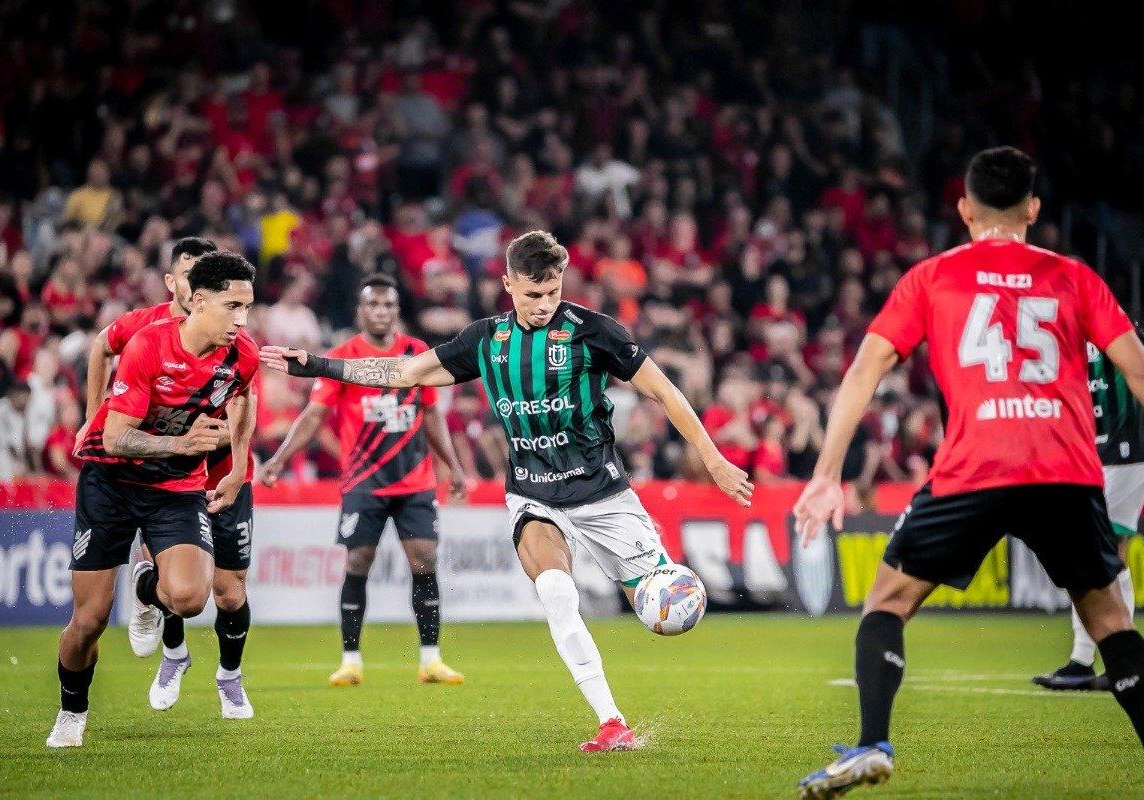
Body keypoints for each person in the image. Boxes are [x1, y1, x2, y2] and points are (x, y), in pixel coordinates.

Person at [261, 230, 753, 752]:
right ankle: (612, 722)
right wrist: (316, 364)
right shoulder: (485, 341)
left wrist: (714, 459)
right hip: (534, 496)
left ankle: (665, 582)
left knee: (658, 616)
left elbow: (665, 391)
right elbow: (404, 371)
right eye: (532, 294)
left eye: (553, 293)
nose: (543, 306)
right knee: (558, 592)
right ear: (508, 284)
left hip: (604, 495)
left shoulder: (594, 332)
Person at [792, 146, 1144, 799]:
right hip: (1065, 472)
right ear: (1033, 210)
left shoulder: (932, 277)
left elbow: (864, 372)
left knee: (888, 602)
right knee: (1111, 623)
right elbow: (1143, 375)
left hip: (973, 468)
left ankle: (874, 741)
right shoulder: (1074, 277)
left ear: (964, 209)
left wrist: (826, 473)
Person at [47, 252, 258, 748]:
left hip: (176, 490)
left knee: (188, 598)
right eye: (232, 307)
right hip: (112, 484)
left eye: (247, 307)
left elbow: (244, 397)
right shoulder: (148, 346)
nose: (242, 319)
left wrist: (240, 463)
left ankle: (146, 591)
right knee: (89, 620)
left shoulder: (241, 353)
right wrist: (180, 444)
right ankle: (71, 712)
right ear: (198, 301)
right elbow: (117, 437)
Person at [258, 274, 469, 687]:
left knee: (424, 560)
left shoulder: (417, 353)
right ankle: (350, 659)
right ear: (361, 310)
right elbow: (314, 415)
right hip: (364, 481)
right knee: (357, 563)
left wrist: (455, 466)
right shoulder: (341, 358)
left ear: (397, 310)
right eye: (374, 304)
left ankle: (431, 659)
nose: (381, 311)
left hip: (414, 480)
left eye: (389, 305)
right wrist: (280, 458)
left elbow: (430, 414)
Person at [1033, 323, 1144, 691]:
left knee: (1089, 548)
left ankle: (1101, 661)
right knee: (1100, 551)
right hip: (1093, 455)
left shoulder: (1127, 331)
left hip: (1125, 454)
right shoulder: (1059, 330)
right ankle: (1102, 662)